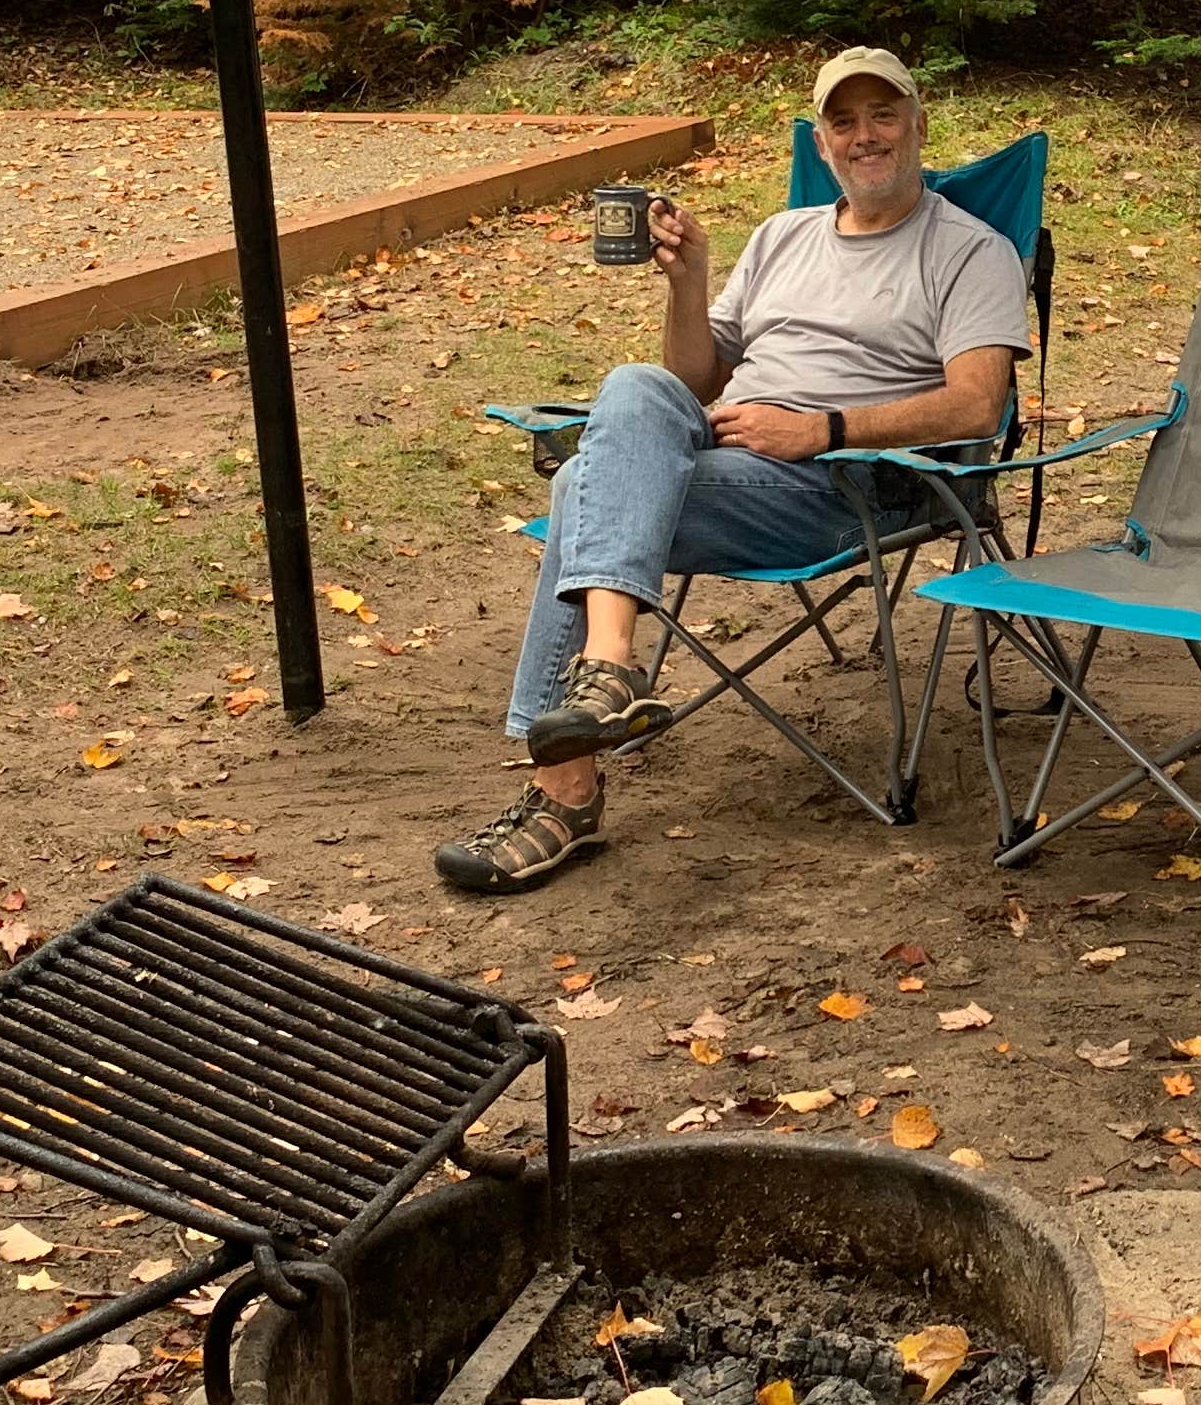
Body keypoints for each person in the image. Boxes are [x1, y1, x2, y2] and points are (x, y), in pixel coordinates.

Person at [437, 49, 1033, 895]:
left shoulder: (970, 251)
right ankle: (609, 671)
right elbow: (692, 382)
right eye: (844, 121)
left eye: (883, 116)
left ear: (919, 127)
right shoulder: (783, 236)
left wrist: (818, 429)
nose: (865, 137)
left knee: (580, 487)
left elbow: (976, 405)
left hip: (846, 485)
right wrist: (690, 283)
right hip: (720, 456)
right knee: (636, 387)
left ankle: (563, 791)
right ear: (822, 143)